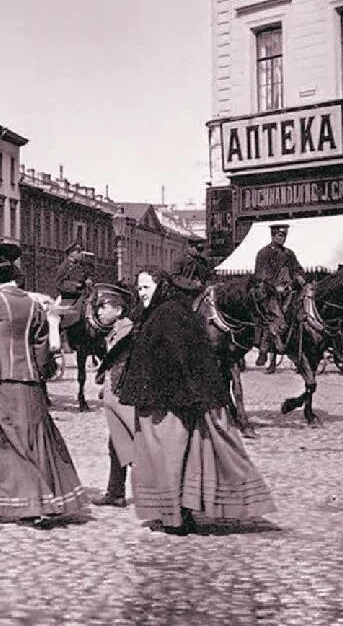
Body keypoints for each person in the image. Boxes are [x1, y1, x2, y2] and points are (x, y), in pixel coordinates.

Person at [116, 269, 276, 535]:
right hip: (170, 400)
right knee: (177, 459)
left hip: (167, 404)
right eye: (139, 288)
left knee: (167, 459)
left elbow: (181, 360)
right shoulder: (168, 312)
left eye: (145, 287)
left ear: (161, 286)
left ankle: (174, 520)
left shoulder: (168, 315)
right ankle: (180, 515)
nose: (140, 293)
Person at [0, 242, 88, 528]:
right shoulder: (33, 303)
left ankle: (20, 504)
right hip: (29, 384)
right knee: (31, 440)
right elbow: (41, 347)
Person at [90, 283, 137, 507]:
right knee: (116, 443)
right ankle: (115, 492)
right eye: (98, 307)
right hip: (115, 396)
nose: (99, 311)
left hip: (125, 398)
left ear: (118, 310)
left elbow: (126, 365)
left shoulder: (127, 331)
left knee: (136, 443)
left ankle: (155, 495)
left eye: (104, 306)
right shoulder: (116, 330)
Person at [252, 224, 305, 365]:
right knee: (274, 317)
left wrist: (299, 276)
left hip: (288, 291)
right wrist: (275, 286)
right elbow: (261, 275)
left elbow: (296, 268)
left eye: (284, 236)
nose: (282, 238)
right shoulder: (264, 253)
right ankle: (263, 349)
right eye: (280, 235)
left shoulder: (288, 253)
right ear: (273, 236)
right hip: (268, 293)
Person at [54, 243, 94, 329]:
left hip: (82, 298)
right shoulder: (65, 266)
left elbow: (89, 275)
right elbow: (59, 283)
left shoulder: (82, 265)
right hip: (70, 299)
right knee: (69, 319)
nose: (81, 254)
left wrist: (89, 280)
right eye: (78, 251)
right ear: (71, 253)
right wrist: (76, 285)